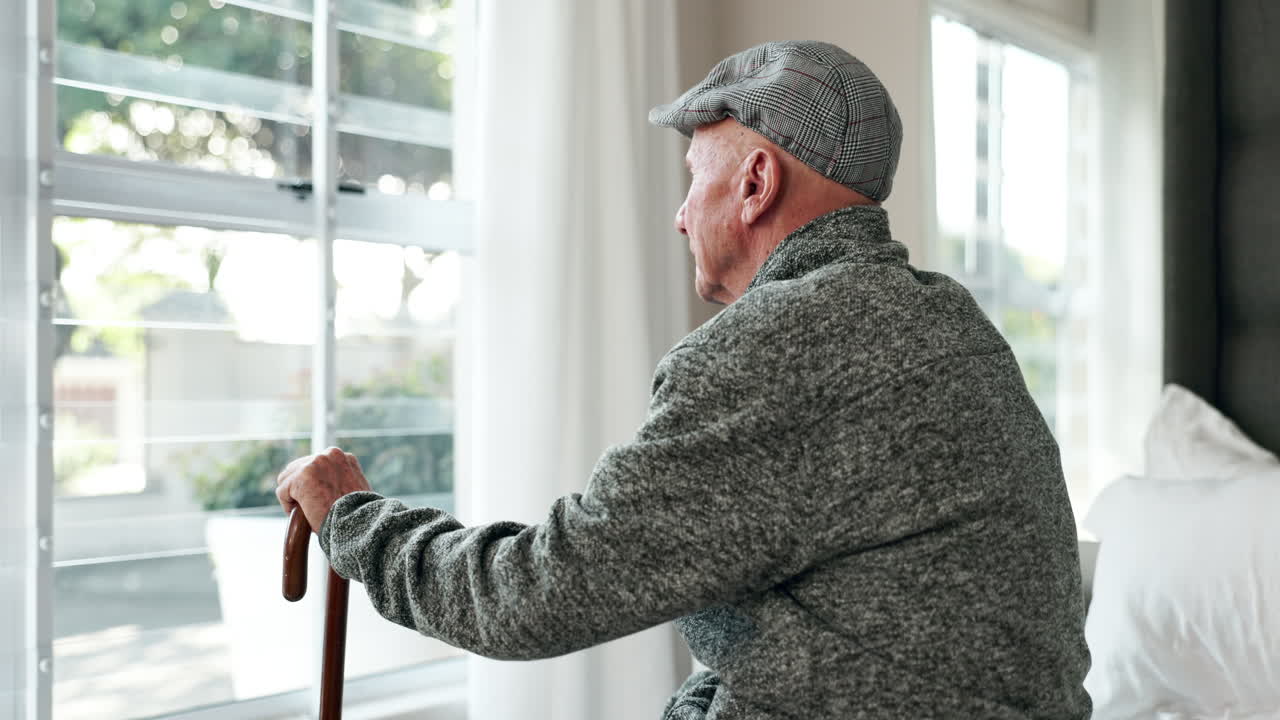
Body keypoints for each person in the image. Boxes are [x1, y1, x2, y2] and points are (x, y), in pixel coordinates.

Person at [276, 40, 1092, 719]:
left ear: (756, 184)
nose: (678, 214)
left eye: (695, 177)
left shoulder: (780, 346)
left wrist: (354, 519)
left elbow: (536, 596)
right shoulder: (951, 322)